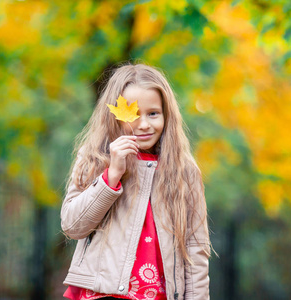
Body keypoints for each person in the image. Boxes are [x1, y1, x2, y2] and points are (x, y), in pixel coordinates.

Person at [60, 63, 211, 300]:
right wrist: (111, 176)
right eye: (133, 114)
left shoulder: (185, 171)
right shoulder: (95, 159)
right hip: (103, 293)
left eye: (153, 113)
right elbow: (72, 225)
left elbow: (196, 249)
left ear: (166, 115)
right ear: (114, 116)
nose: (143, 124)